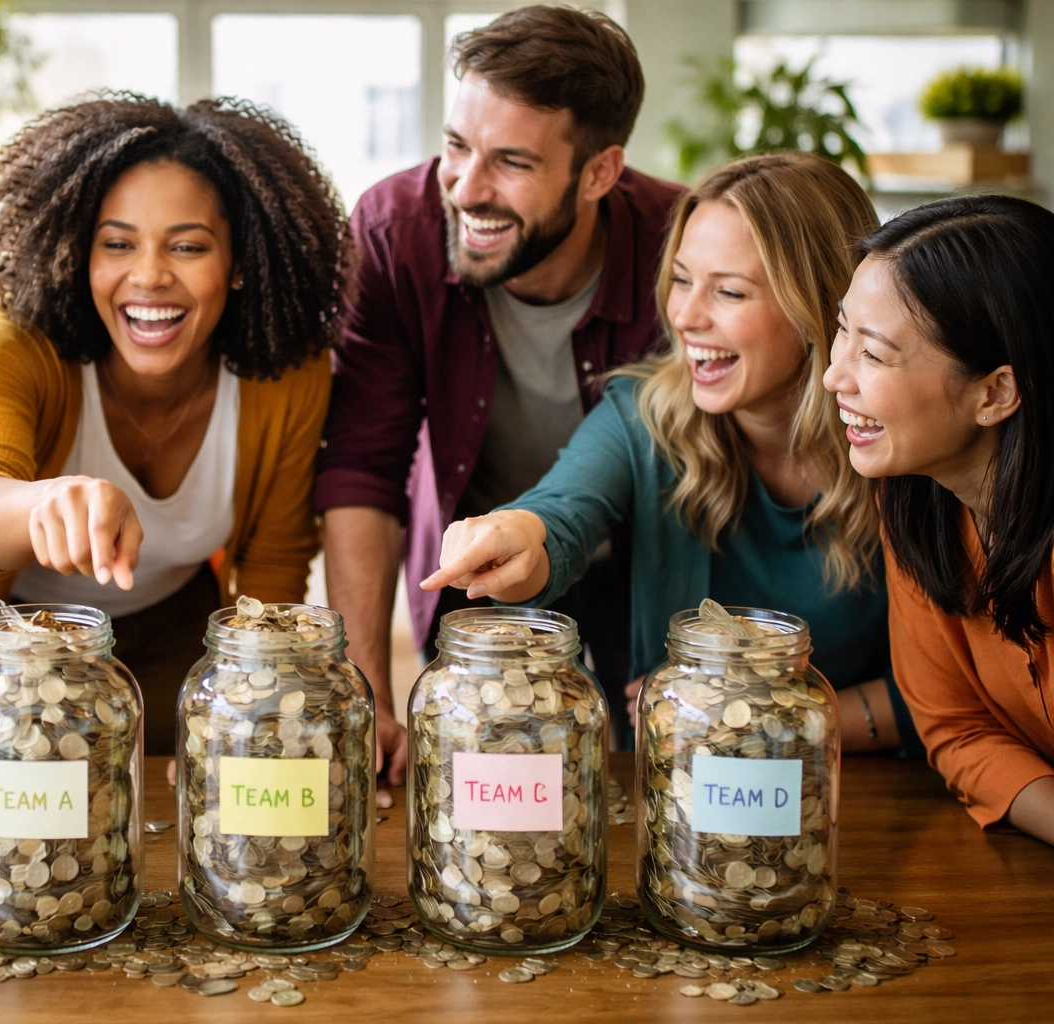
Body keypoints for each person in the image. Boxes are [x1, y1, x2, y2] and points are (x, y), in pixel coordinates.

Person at [423, 152, 917, 756]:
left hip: (864, 796)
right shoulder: (644, 412)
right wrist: (511, 533)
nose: (684, 315)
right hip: (676, 805)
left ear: (822, 306)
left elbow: (953, 695)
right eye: (681, 279)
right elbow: (560, 512)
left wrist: (766, 722)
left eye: (729, 291)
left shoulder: (901, 444)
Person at [0, 95, 347, 760]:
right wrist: (42, 504)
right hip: (7, 637)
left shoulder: (286, 373)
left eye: (188, 246)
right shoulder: (13, 343)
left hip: (174, 629)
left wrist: (258, 712)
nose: (148, 276)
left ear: (237, 264)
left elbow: (275, 562)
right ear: (79, 252)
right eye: (117, 243)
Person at [315, 4, 684, 788]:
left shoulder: (678, 247)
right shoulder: (394, 230)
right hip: (473, 564)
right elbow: (363, 469)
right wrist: (370, 689)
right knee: (472, 789)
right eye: (456, 146)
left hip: (645, 558)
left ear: (600, 173)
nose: (465, 188)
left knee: (645, 788)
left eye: (511, 162)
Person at [824, 194, 1054, 842]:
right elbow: (956, 728)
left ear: (996, 393)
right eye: (843, 331)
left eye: (873, 354)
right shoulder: (915, 500)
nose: (833, 377)